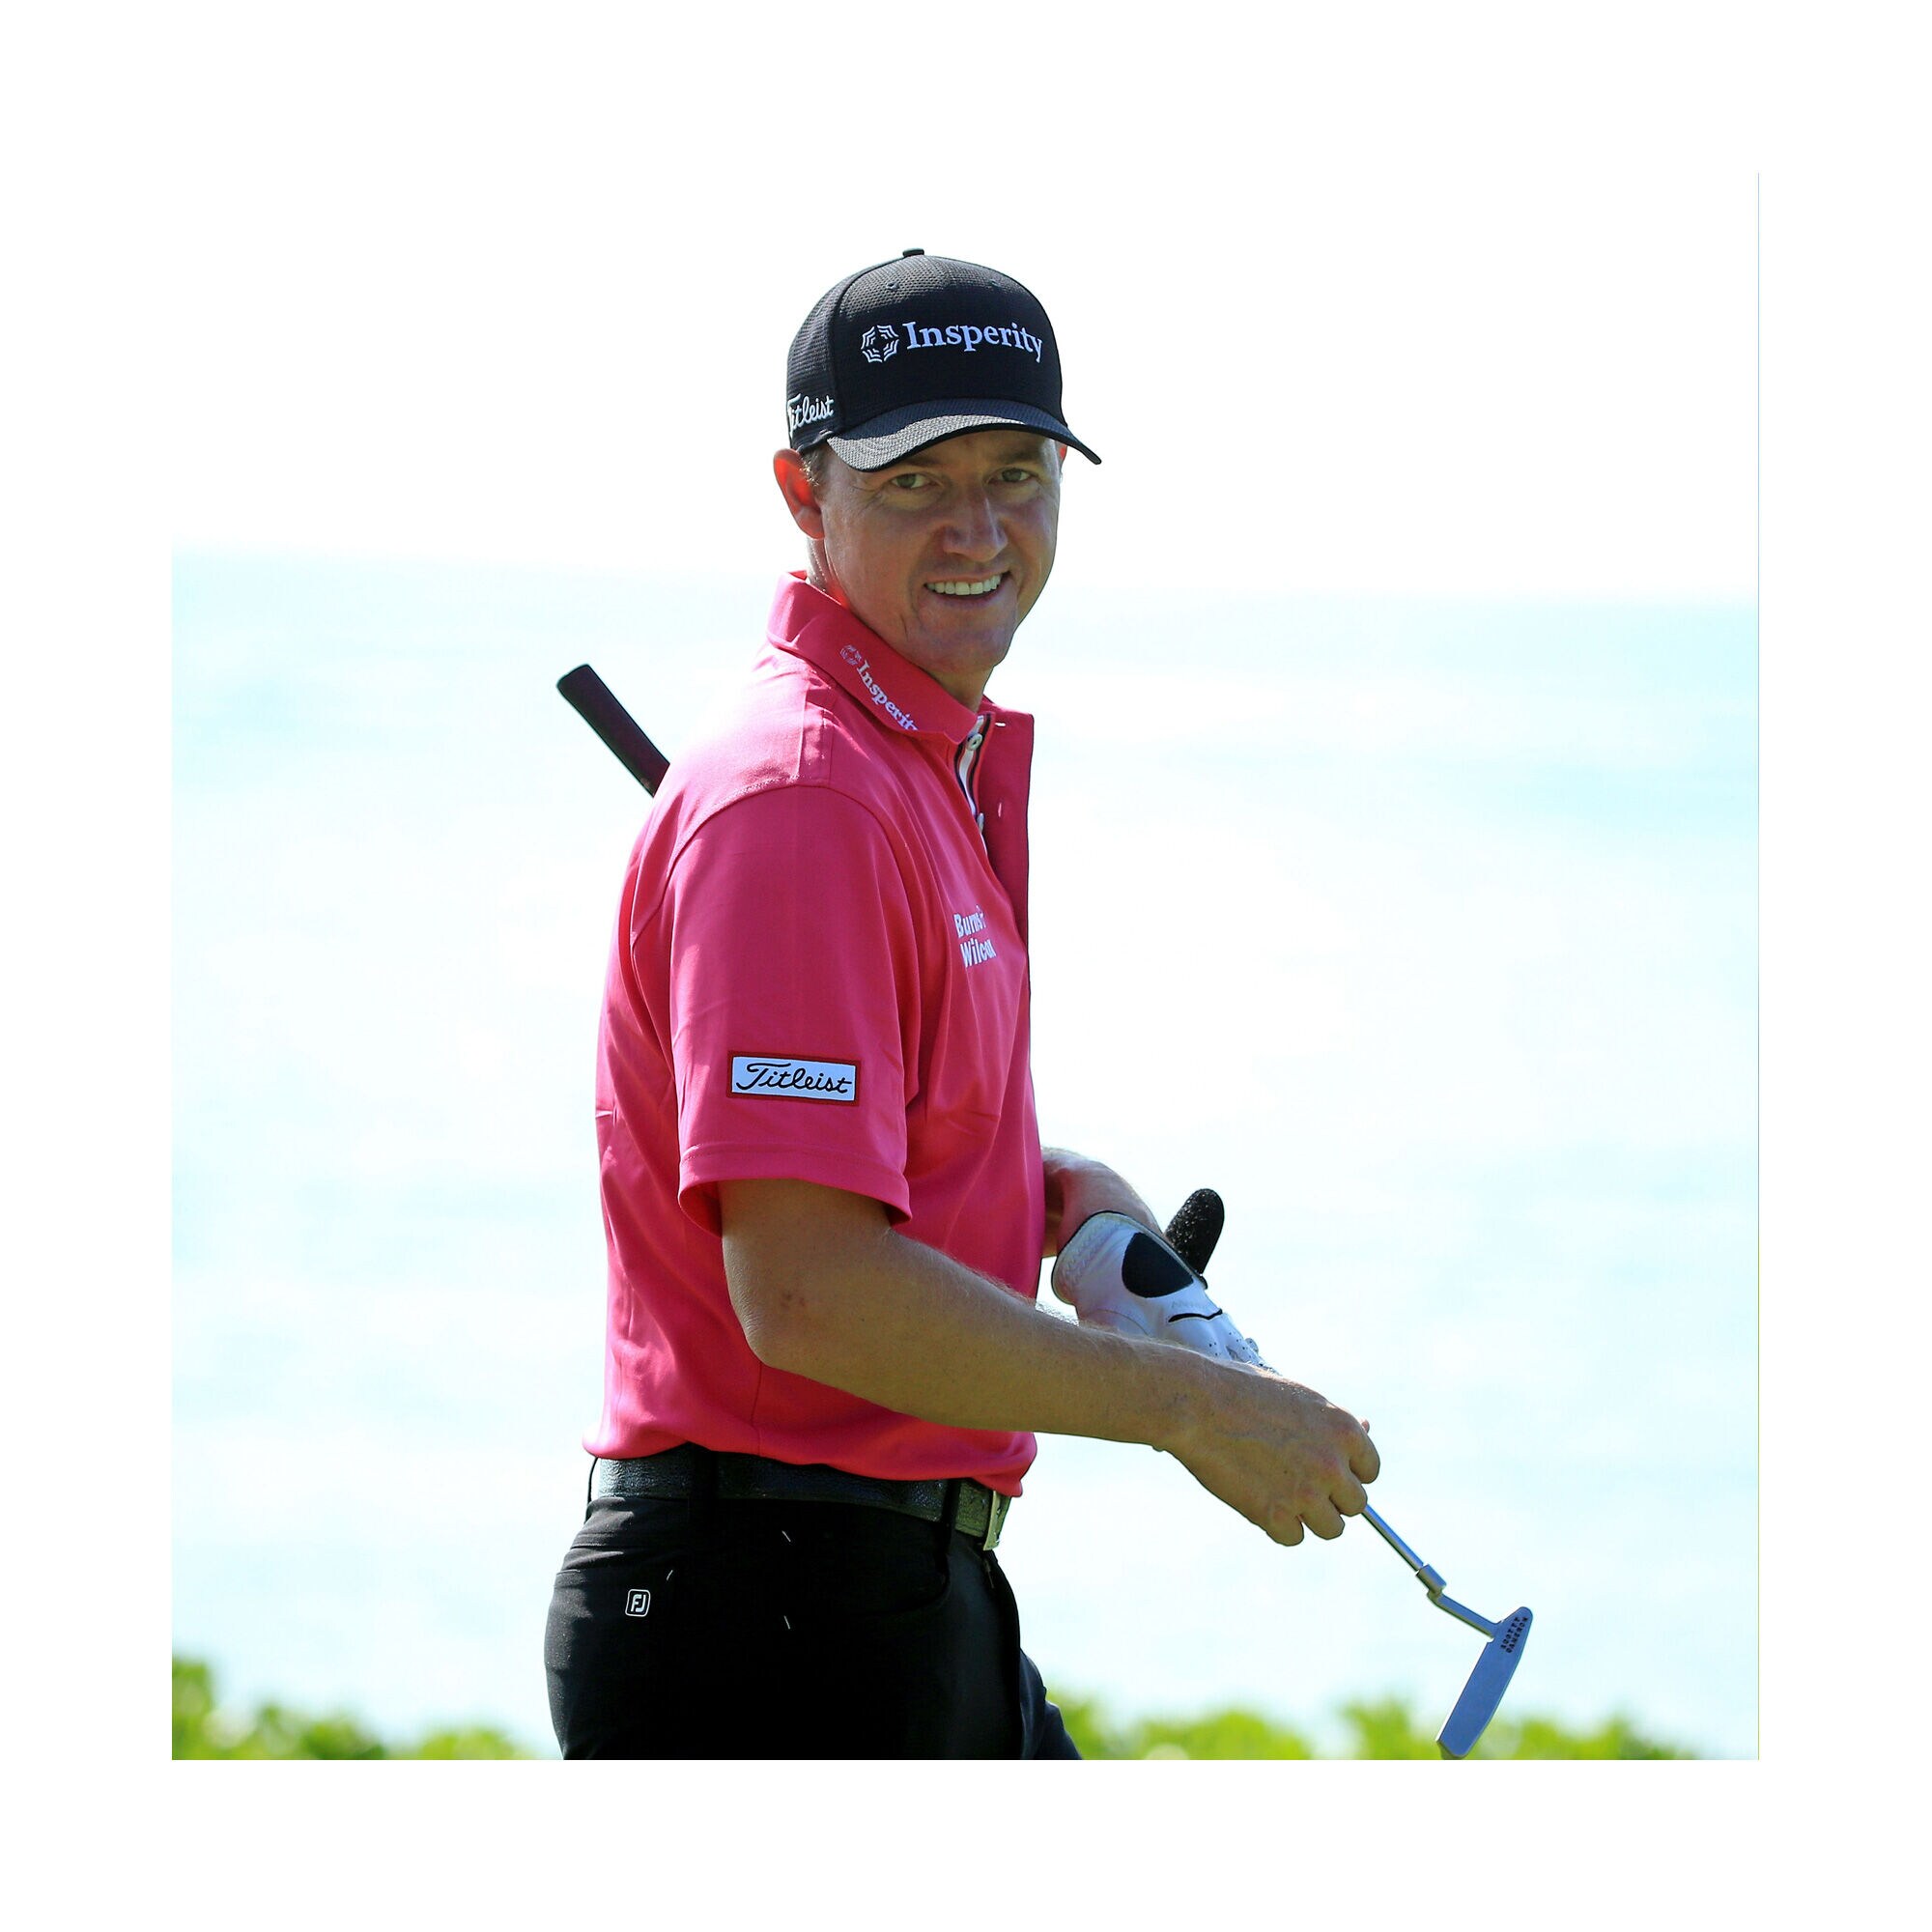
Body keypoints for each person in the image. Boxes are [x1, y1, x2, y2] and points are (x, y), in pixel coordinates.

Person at [543, 249, 1379, 1758]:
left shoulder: (907, 769)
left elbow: (853, 1165)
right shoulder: (803, 797)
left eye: (1016, 474)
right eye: (917, 480)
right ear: (804, 494)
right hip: (763, 1619)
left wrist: (1045, 1196)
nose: (979, 530)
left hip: (885, 1602)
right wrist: (1189, 1407)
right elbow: (808, 1290)